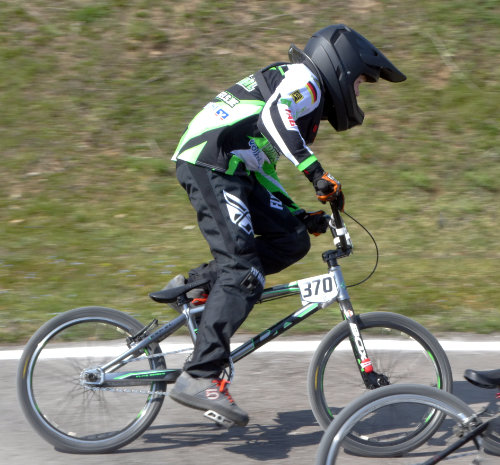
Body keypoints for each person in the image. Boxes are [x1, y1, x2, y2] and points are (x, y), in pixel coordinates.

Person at [166, 24, 406, 426]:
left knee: (293, 240)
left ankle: (196, 287)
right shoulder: (305, 81)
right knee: (242, 272)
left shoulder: (302, 93)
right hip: (211, 164)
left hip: (235, 168)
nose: (359, 94)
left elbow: (261, 163)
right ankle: (200, 374)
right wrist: (315, 172)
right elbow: (276, 117)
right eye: (361, 83)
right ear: (343, 68)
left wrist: (298, 214)